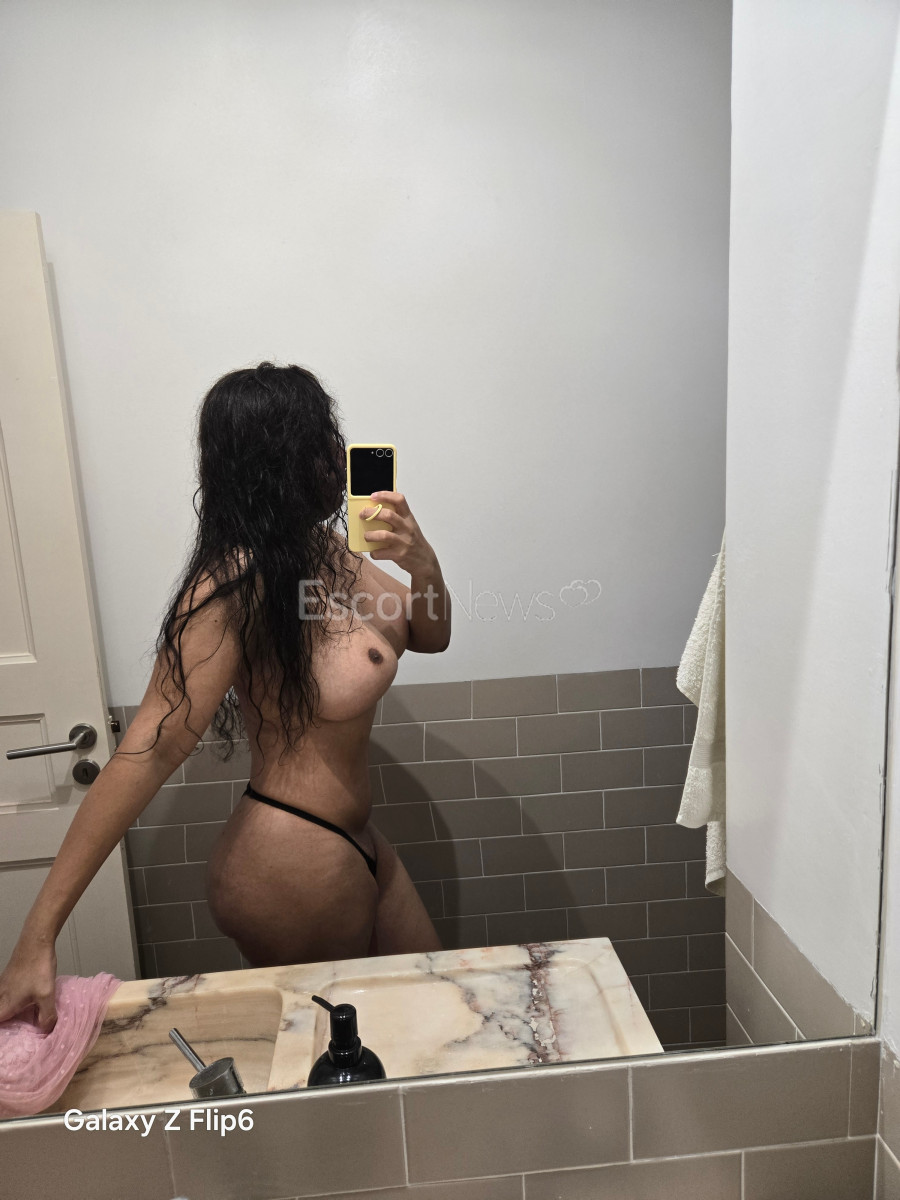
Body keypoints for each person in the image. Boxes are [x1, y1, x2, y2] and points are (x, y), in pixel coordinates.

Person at [0, 362, 450, 1032]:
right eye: (320, 440)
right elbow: (148, 752)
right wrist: (38, 935)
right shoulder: (233, 586)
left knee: (435, 1015)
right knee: (337, 1066)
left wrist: (422, 562)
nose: (337, 454)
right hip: (289, 864)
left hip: (361, 845)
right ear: (280, 461)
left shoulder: (332, 553)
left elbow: (430, 634)